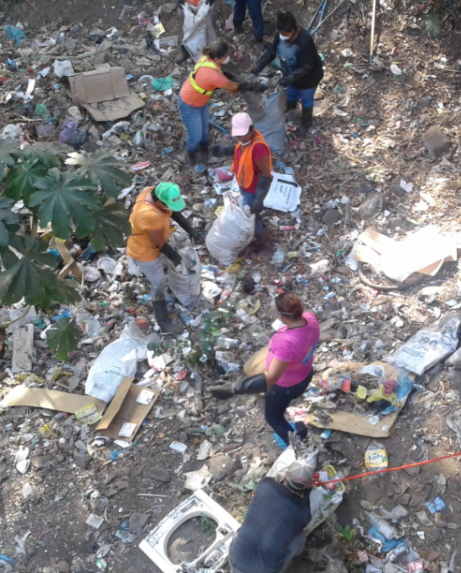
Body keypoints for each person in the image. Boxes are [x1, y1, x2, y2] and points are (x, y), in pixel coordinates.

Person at [209, 292, 320, 447]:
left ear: (282, 316)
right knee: (279, 408)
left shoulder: (287, 342)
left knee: (274, 418)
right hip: (305, 373)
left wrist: (235, 388)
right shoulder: (310, 319)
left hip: (285, 387)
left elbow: (271, 378)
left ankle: (299, 446)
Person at [126, 182, 200, 334]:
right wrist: (175, 257)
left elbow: (172, 211)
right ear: (159, 202)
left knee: (166, 270)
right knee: (159, 284)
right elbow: (159, 244)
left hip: (154, 241)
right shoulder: (150, 214)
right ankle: (163, 321)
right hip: (145, 251)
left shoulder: (153, 192)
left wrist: (190, 229)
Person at [179, 40, 255, 170]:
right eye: (226, 56)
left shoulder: (205, 59)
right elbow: (233, 87)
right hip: (189, 104)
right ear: (217, 59)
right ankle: (190, 153)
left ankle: (204, 148)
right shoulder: (213, 75)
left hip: (200, 100)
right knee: (195, 135)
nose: (228, 58)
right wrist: (250, 86)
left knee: (204, 129)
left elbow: (223, 76)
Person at [248, 10, 324, 137]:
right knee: (291, 96)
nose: (282, 37)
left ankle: (305, 124)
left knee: (306, 100)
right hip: (289, 73)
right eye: (280, 34)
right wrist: (258, 67)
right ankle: (291, 116)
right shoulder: (280, 35)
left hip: (308, 79)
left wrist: (291, 77)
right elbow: (272, 52)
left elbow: (307, 66)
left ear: (293, 31)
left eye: (285, 34)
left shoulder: (305, 41)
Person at [228, 461, 313, 573]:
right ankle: (295, 558)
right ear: (309, 486)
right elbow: (303, 507)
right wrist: (307, 494)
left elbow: (276, 484)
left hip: (235, 560)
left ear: (285, 477)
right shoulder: (304, 513)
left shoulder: (264, 485)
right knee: (300, 536)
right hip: (266, 570)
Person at [211, 112, 273, 251]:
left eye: (243, 134)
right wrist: (225, 151)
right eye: (238, 135)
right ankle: (259, 228)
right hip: (244, 185)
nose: (240, 138)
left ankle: (266, 244)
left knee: (249, 217)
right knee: (251, 213)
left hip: (253, 189)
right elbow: (241, 153)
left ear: (251, 129)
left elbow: (266, 175)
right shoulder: (245, 141)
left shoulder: (259, 147)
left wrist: (259, 198)